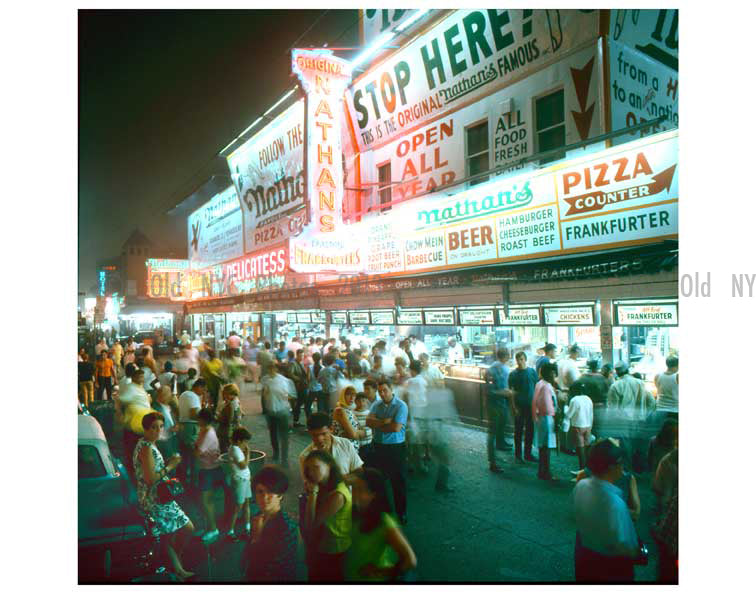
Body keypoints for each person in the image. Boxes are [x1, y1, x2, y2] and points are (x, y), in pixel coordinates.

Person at [133, 412, 195, 580]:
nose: (158, 431)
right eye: (153, 427)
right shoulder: (146, 448)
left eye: (160, 426)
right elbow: (150, 478)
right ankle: (177, 562)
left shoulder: (145, 444)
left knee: (166, 536)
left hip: (157, 497)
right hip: (155, 499)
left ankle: (177, 568)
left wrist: (166, 464)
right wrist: (170, 466)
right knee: (187, 527)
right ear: (145, 428)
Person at [573, 439, 640, 583]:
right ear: (611, 467)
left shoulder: (581, 486)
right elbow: (625, 546)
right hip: (609, 568)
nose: (622, 469)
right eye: (620, 464)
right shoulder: (614, 503)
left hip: (584, 556)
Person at [345, 467, 418, 582]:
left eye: (361, 489)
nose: (355, 493)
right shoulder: (355, 512)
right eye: (354, 488)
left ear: (374, 494)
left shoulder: (385, 522)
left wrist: (379, 572)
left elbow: (410, 560)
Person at [245, 465, 307, 582]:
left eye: (270, 491)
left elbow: (269, 568)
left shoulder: (287, 527)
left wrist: (256, 538)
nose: (264, 497)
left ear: (280, 495)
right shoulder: (257, 517)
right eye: (260, 491)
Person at [302, 450, 352, 582]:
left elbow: (311, 525)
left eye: (316, 467)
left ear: (329, 465)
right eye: (309, 469)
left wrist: (312, 494)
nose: (311, 472)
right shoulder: (323, 485)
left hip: (333, 549)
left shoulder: (337, 494)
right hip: (320, 544)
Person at [366, 380, 409, 524]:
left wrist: (378, 424)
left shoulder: (401, 405)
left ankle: (401, 512)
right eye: (380, 391)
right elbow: (368, 422)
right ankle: (383, 512)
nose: (382, 393)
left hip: (395, 448)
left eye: (385, 390)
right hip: (378, 446)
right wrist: (385, 422)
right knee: (378, 481)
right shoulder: (376, 405)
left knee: (398, 482)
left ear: (392, 390)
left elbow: (396, 428)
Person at [607, 361, 656, 473]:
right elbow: (652, 402)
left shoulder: (616, 386)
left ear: (617, 373)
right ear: (628, 370)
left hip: (623, 421)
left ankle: (627, 473)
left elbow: (612, 409)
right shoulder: (640, 383)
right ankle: (639, 470)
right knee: (638, 446)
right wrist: (645, 414)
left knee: (625, 448)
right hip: (640, 419)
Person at [299, 412, 363, 480]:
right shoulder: (305, 456)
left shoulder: (345, 444)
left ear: (331, 429)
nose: (319, 439)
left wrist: (339, 482)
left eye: (323, 434)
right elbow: (308, 484)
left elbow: (359, 472)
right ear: (309, 432)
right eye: (315, 435)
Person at [194, 408, 224, 543]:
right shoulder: (204, 430)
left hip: (209, 470)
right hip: (205, 468)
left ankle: (213, 529)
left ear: (203, 420)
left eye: (198, 418)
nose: (196, 420)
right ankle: (209, 527)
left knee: (207, 501)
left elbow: (197, 452)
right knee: (205, 501)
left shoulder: (208, 434)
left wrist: (192, 448)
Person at [484, 348, 514, 473]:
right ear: (506, 356)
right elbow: (489, 391)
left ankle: (500, 446)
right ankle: (492, 462)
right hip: (495, 406)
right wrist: (504, 393)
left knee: (498, 429)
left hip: (500, 405)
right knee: (492, 433)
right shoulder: (493, 370)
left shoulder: (497, 368)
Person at [261, 361, 295, 467]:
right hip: (270, 411)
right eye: (269, 369)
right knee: (273, 434)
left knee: (284, 436)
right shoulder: (265, 380)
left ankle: (284, 459)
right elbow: (263, 395)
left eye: (272, 368)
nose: (270, 371)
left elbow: (292, 395)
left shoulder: (284, 381)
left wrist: (285, 397)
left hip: (283, 411)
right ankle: (276, 453)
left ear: (276, 369)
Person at [508, 351, 538, 463]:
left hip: (531, 406)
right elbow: (511, 392)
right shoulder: (513, 374)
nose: (520, 362)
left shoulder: (532, 372)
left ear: (525, 359)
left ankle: (528, 453)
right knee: (518, 430)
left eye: (521, 359)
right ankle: (518, 454)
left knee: (530, 430)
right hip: (519, 406)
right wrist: (514, 407)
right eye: (518, 359)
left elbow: (536, 388)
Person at [177, 378, 207, 486]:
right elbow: (193, 414)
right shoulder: (193, 396)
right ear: (199, 387)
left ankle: (185, 480)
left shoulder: (184, 394)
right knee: (194, 456)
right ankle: (195, 482)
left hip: (183, 427)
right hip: (191, 427)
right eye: (203, 390)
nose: (203, 393)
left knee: (185, 456)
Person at [532, 363, 558, 481]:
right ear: (547, 373)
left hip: (539, 418)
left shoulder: (540, 383)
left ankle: (541, 470)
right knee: (546, 447)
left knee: (542, 446)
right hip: (546, 418)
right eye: (553, 373)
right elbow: (548, 407)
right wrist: (556, 414)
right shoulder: (546, 386)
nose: (554, 375)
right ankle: (546, 472)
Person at [226, 427, 253, 541]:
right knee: (238, 506)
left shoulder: (235, 448)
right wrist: (248, 454)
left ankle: (248, 527)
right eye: (245, 441)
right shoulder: (235, 450)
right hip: (240, 481)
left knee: (246, 503)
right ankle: (230, 531)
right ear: (239, 441)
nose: (246, 444)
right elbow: (243, 465)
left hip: (245, 479)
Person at [565, 385, 594, 472]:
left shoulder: (574, 400)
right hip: (588, 425)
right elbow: (591, 414)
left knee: (580, 449)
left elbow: (568, 414)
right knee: (587, 448)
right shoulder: (588, 399)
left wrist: (565, 407)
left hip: (578, 425)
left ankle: (582, 470)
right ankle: (588, 470)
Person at [331, 385, 367, 451]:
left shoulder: (349, 410)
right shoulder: (340, 410)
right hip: (344, 449)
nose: (352, 398)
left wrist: (358, 432)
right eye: (348, 394)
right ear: (343, 395)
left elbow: (357, 430)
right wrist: (364, 433)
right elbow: (353, 435)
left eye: (354, 395)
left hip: (351, 449)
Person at [154, 386, 180, 460]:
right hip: (164, 442)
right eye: (169, 394)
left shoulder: (168, 406)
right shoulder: (156, 409)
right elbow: (155, 431)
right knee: (168, 461)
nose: (171, 396)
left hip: (172, 438)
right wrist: (170, 429)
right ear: (162, 396)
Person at [288, 349, 311, 427]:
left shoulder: (300, 363)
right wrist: (299, 379)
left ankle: (296, 420)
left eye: (302, 356)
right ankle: (297, 420)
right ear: (297, 355)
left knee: (299, 404)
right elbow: (290, 374)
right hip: (298, 386)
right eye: (300, 355)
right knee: (300, 404)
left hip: (302, 386)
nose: (301, 357)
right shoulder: (293, 363)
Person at [216, 383, 242, 453]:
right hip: (233, 429)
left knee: (225, 451)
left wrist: (218, 417)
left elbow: (228, 420)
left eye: (226, 394)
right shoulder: (235, 401)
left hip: (227, 431)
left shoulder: (232, 404)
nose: (224, 396)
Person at [654, 355, 679, 420]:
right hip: (675, 410)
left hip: (660, 409)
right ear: (677, 365)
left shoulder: (657, 376)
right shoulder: (677, 377)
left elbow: (658, 389)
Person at [353, 393, 374, 464]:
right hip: (357, 445)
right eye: (359, 401)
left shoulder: (370, 413)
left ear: (367, 401)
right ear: (355, 401)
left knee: (368, 463)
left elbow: (373, 427)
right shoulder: (352, 413)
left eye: (363, 400)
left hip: (368, 443)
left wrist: (365, 432)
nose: (361, 403)